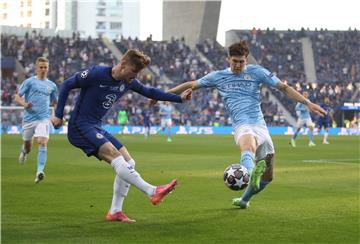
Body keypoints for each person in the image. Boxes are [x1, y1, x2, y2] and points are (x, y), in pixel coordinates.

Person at [162, 41, 326, 209]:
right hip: (241, 124)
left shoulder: (257, 72)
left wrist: (308, 103)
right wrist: (163, 95)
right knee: (248, 146)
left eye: (241, 61)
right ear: (228, 59)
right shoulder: (218, 76)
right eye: (235, 61)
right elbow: (191, 84)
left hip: (260, 125)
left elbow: (283, 87)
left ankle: (244, 199)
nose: (238, 65)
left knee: (268, 177)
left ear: (247, 60)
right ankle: (250, 171)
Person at [51, 49, 192, 222]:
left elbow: (151, 92)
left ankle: (115, 211)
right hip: (80, 126)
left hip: (96, 126)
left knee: (129, 162)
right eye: (134, 71)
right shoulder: (96, 74)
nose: (135, 76)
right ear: (123, 64)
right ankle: (152, 191)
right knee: (114, 155)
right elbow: (66, 84)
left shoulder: (128, 82)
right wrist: (58, 114)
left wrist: (180, 99)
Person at [14, 57, 58, 183]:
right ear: (36, 68)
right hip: (28, 120)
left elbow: (55, 102)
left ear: (48, 68)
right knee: (28, 146)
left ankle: (39, 171)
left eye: (45, 67)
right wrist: (25, 104)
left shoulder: (52, 85)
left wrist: (57, 115)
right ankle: (24, 152)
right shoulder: (29, 82)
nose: (43, 69)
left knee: (42, 141)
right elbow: (17, 97)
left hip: (43, 119)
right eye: (41, 67)